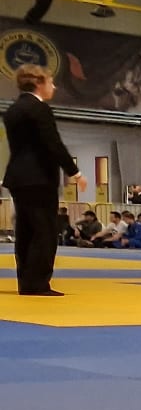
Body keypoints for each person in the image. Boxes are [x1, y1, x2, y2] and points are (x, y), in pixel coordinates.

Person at [3, 65, 78, 296]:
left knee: (25, 231)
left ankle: (26, 282)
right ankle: (38, 283)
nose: (54, 87)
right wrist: (74, 171)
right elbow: (52, 143)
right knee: (44, 230)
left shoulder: (13, 110)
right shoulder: (40, 109)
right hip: (39, 177)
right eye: (51, 82)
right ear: (39, 83)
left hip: (18, 177)